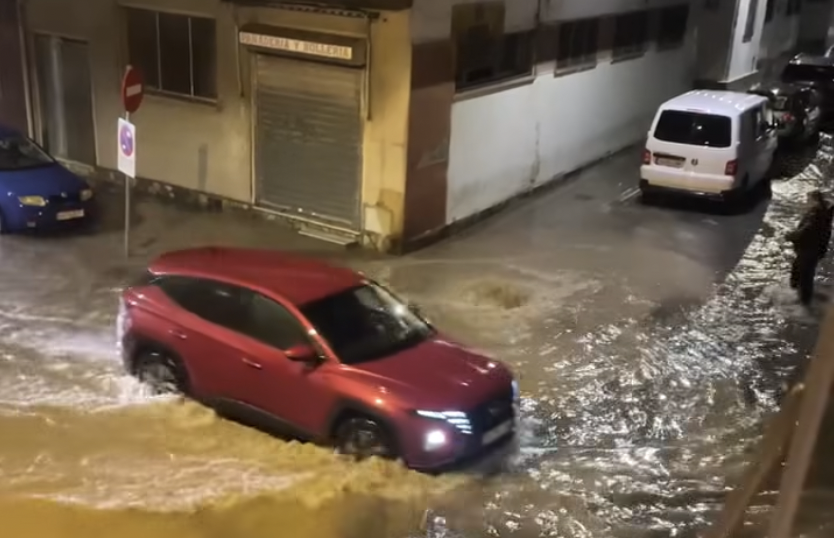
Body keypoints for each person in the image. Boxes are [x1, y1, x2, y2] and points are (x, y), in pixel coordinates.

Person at [787, 190, 834, 305]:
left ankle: (804, 303)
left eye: (808, 200)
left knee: (805, 275)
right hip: (815, 248)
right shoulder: (824, 212)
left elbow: (806, 230)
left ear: (814, 200)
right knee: (798, 271)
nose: (806, 202)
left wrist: (792, 236)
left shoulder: (815, 215)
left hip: (809, 249)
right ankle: (798, 293)